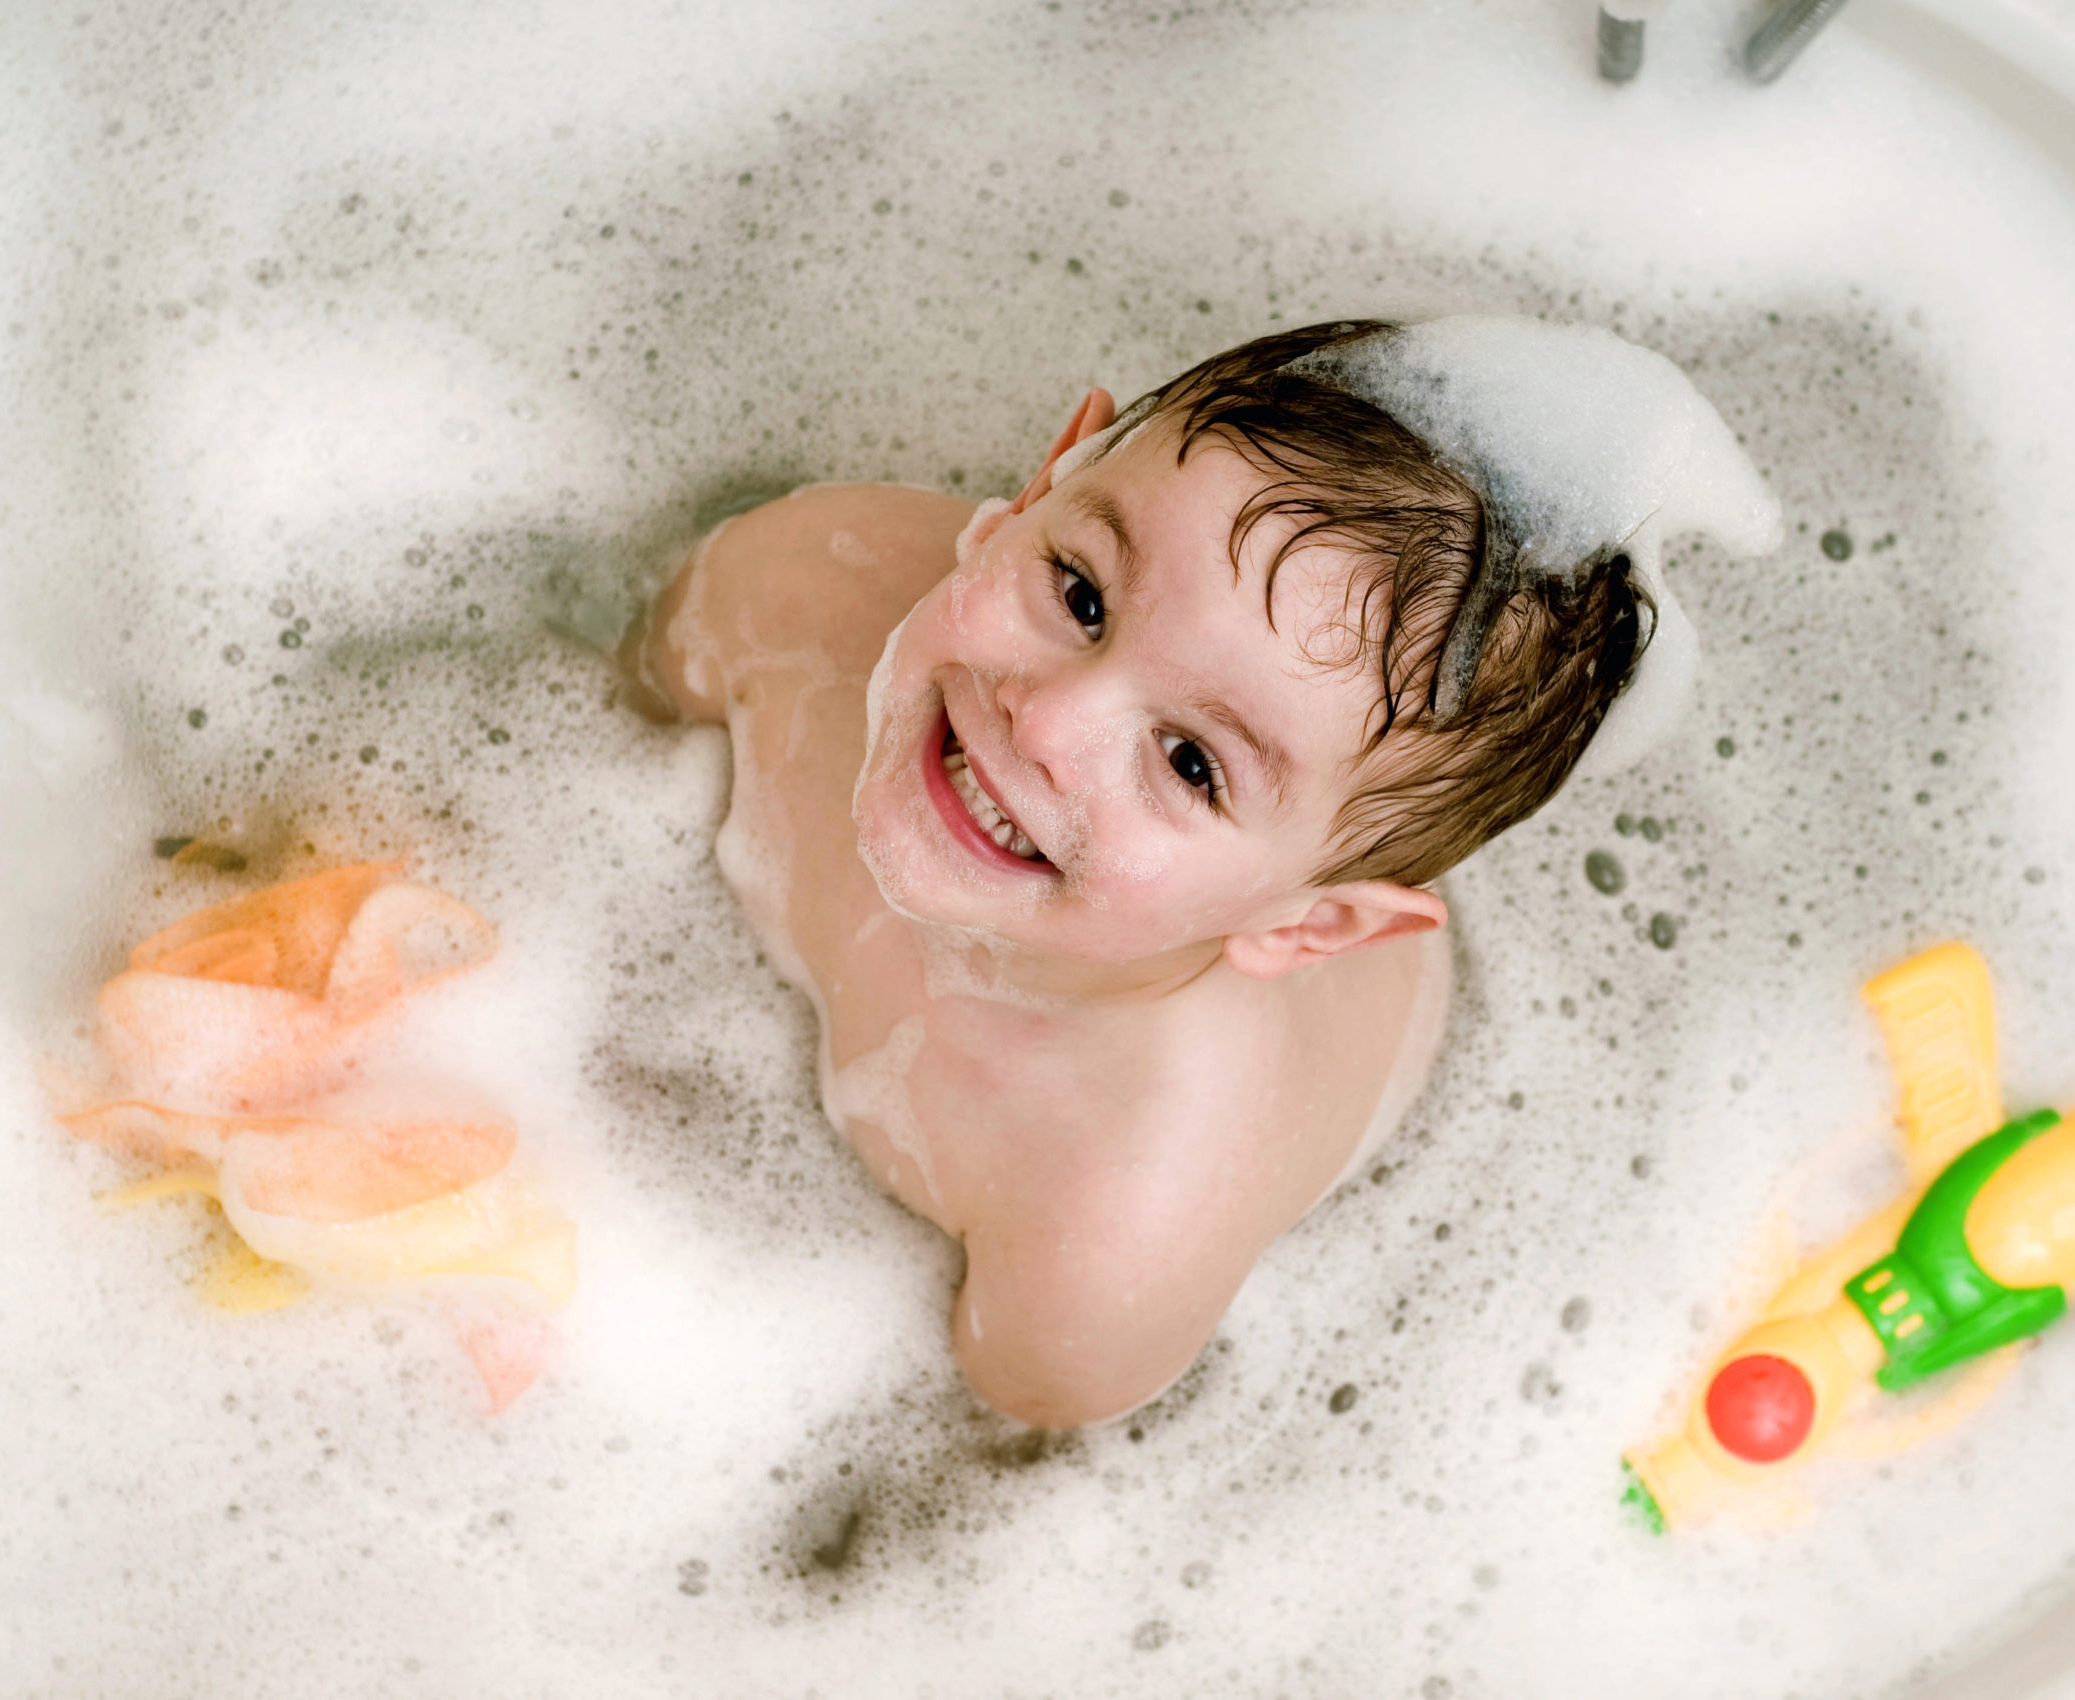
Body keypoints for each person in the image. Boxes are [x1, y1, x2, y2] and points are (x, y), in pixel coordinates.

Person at [617, 317, 1777, 1426]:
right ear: (1036, 491)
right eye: (1080, 594)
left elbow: (1001, 1419)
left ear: (1308, 926)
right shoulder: (805, 585)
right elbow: (628, 699)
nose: (1049, 719)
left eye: (1188, 762)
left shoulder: (1116, 1224)